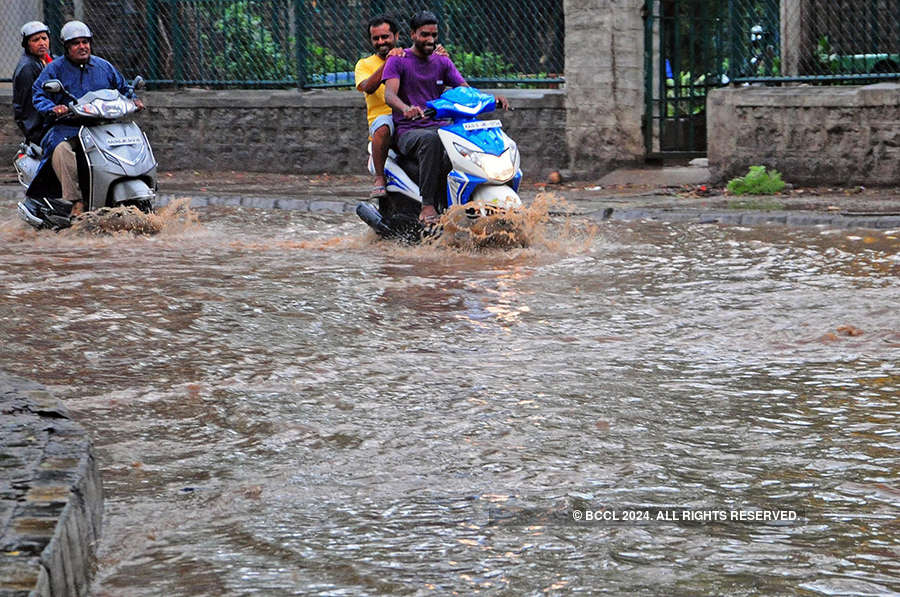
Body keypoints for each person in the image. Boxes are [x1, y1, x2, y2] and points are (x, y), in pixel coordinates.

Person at [383, 11, 507, 224]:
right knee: (431, 140)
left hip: (442, 126)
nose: (430, 40)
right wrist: (406, 108)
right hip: (410, 130)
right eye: (424, 34)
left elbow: (465, 90)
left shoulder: (442, 62)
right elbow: (389, 95)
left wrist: (490, 99)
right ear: (412, 34)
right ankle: (428, 205)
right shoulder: (398, 60)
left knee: (472, 139)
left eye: (434, 34)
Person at [27, 20, 143, 216]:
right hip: (68, 127)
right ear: (67, 47)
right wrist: (54, 108)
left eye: (85, 42)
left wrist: (134, 99)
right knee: (61, 149)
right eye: (76, 43)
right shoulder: (55, 69)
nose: (82, 46)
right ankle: (76, 200)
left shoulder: (103, 66)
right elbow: (38, 93)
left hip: (101, 125)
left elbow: (123, 88)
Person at [354, 15, 447, 201]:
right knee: (383, 127)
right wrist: (389, 63)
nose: (381, 42)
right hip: (387, 116)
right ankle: (380, 179)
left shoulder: (407, 56)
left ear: (396, 36)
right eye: (376, 38)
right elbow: (367, 87)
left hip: (414, 116)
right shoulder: (364, 64)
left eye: (385, 37)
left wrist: (438, 59)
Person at [12, 21, 52, 145]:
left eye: (44, 38)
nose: (42, 43)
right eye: (35, 40)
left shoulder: (47, 59)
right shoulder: (27, 68)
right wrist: (36, 133)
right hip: (38, 128)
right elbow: (28, 106)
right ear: (27, 44)